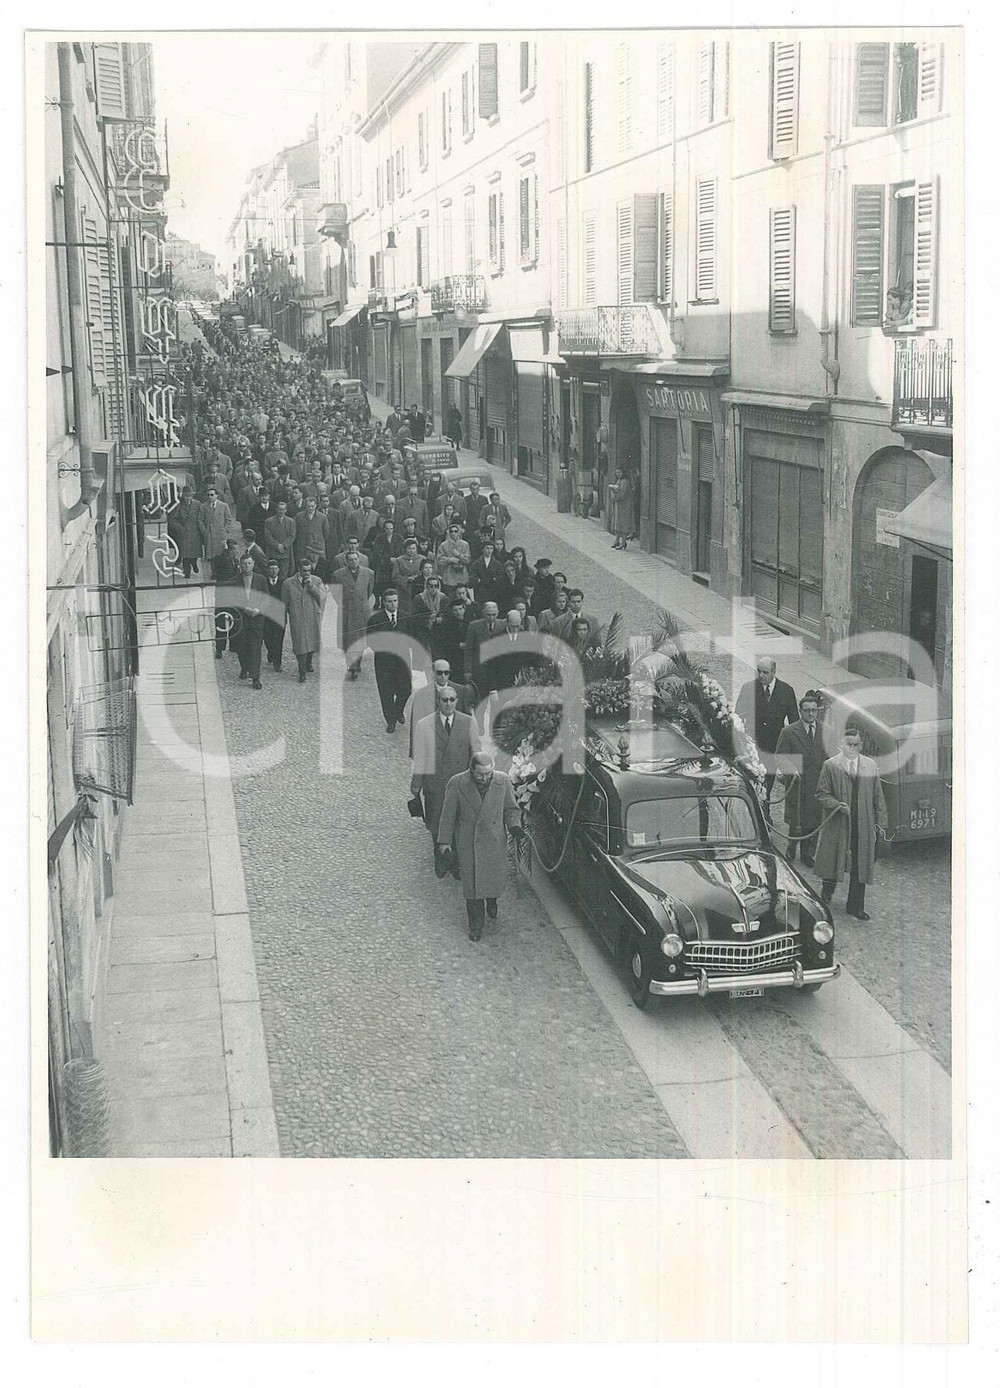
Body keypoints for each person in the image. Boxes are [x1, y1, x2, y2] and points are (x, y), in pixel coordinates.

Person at [436, 751, 524, 941]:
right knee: (473, 888)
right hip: (469, 843)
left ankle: (492, 901)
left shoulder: (503, 781)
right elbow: (448, 815)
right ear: (471, 770)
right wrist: (444, 842)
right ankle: (476, 926)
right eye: (480, 774)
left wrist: (514, 826)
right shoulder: (457, 783)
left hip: (494, 841)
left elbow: (511, 808)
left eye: (488, 773)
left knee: (492, 882)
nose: (484, 778)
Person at [814, 726, 888, 920]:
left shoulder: (870, 766)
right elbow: (821, 794)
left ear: (861, 745)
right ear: (842, 744)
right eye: (849, 744)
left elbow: (878, 797)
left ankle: (855, 906)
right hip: (838, 824)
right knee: (833, 859)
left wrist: (881, 825)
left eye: (856, 745)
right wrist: (837, 805)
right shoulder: (831, 766)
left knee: (860, 864)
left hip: (862, 825)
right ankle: (827, 891)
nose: (852, 748)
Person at [410, 686, 481, 846]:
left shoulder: (468, 722)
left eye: (452, 700)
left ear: (456, 701)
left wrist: (477, 775)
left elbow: (475, 750)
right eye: (444, 700)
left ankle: (455, 857)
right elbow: (420, 758)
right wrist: (416, 785)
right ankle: (440, 856)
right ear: (438, 701)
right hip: (435, 784)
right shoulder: (424, 725)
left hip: (460, 783)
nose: (448, 703)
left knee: (459, 824)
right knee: (437, 825)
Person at [735, 659, 799, 819]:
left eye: (765, 672)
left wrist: (792, 749)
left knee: (768, 782)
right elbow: (738, 717)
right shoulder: (748, 689)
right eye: (759, 671)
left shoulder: (786, 691)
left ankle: (764, 812)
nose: (761, 675)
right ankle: (760, 815)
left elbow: (794, 722)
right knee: (755, 781)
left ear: (774, 672)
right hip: (753, 747)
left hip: (774, 747)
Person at [774, 692, 828, 865]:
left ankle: (808, 854)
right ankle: (791, 848)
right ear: (800, 711)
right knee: (796, 821)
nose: (811, 714)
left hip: (817, 785)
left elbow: (831, 757)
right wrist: (791, 769)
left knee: (814, 821)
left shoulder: (827, 731)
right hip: (797, 786)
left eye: (814, 710)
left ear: (818, 711)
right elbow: (780, 757)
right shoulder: (789, 732)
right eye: (807, 710)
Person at [408, 659, 477, 757]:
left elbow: (467, 721)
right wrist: (415, 753)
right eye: (439, 673)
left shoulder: (461, 691)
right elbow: (416, 725)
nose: (443, 676)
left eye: (446, 673)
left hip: (456, 749)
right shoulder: (421, 695)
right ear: (432, 673)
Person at [366, 587, 412, 733]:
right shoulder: (375, 619)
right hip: (383, 662)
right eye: (390, 601)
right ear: (384, 602)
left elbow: (412, 636)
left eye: (395, 601)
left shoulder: (405, 617)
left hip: (402, 660)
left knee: (406, 689)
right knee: (386, 693)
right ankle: (391, 721)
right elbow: (370, 640)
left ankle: (398, 710)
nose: (393, 604)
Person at [281, 557, 327, 683]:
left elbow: (323, 598)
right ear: (298, 569)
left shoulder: (317, 580)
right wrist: (289, 613)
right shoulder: (288, 583)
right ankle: (302, 671)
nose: (307, 573)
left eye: (309, 571)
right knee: (300, 643)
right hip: (297, 616)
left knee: (311, 641)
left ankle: (308, 662)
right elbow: (284, 602)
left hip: (312, 615)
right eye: (304, 571)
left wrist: (311, 587)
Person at [332, 550, 375, 679]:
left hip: (361, 611)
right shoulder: (338, 575)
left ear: (359, 559)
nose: (354, 562)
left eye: (356, 559)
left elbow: (369, 591)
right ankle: (352, 666)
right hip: (347, 611)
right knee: (348, 640)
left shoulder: (369, 573)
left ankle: (356, 665)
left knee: (360, 639)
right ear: (346, 561)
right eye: (351, 560)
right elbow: (336, 593)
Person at [230, 553, 268, 689]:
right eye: (244, 564)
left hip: (256, 619)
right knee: (242, 647)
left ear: (253, 564)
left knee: (255, 648)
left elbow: (266, 598)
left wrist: (259, 609)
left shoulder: (261, 580)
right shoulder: (234, 581)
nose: (247, 566)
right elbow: (232, 600)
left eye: (249, 563)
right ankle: (244, 667)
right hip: (241, 619)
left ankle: (255, 677)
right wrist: (245, 609)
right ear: (240, 565)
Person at [464, 601, 504, 689]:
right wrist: (468, 670)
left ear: (498, 613)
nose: (491, 618)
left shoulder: (503, 625)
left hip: (498, 669)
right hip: (480, 669)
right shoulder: (474, 626)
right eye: (488, 615)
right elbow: (469, 650)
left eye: (494, 615)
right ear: (483, 613)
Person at [198, 485, 234, 579]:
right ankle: (213, 572)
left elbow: (229, 519)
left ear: (217, 495)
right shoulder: (203, 506)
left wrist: (225, 530)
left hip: (221, 535)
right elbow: (200, 520)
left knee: (222, 554)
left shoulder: (223, 506)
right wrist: (204, 531)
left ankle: (223, 572)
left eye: (212, 495)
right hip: (209, 535)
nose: (210, 497)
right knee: (212, 556)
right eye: (208, 495)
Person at [167, 485, 203, 578]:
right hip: (183, 534)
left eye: (189, 496)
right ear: (183, 496)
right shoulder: (178, 505)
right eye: (186, 496)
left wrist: (201, 529)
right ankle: (187, 572)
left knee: (195, 552)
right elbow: (172, 520)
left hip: (195, 533)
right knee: (185, 554)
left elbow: (202, 517)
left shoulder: (197, 504)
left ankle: (194, 563)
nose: (188, 498)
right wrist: (180, 528)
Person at [262, 559, 287, 671]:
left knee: (278, 640)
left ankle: (277, 663)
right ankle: (271, 653)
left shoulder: (284, 583)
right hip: (266, 615)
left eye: (275, 569)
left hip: (279, 615)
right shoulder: (263, 582)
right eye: (271, 569)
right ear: (267, 570)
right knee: (267, 638)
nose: (273, 571)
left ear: (278, 570)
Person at [264, 497, 296, 582]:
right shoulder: (269, 521)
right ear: (276, 509)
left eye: (283, 509)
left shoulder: (291, 522)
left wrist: (284, 545)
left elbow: (292, 536)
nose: (281, 511)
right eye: (279, 509)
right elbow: (268, 536)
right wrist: (277, 545)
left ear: (286, 510)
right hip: (273, 552)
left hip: (285, 553)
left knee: (283, 574)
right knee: (272, 573)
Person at [608, 467, 633, 550]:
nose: (618, 474)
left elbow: (623, 493)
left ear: (623, 473)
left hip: (625, 506)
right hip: (619, 505)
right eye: (617, 472)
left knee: (624, 523)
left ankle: (623, 542)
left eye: (619, 472)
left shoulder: (625, 481)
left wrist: (615, 497)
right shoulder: (619, 480)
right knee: (618, 522)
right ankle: (617, 540)